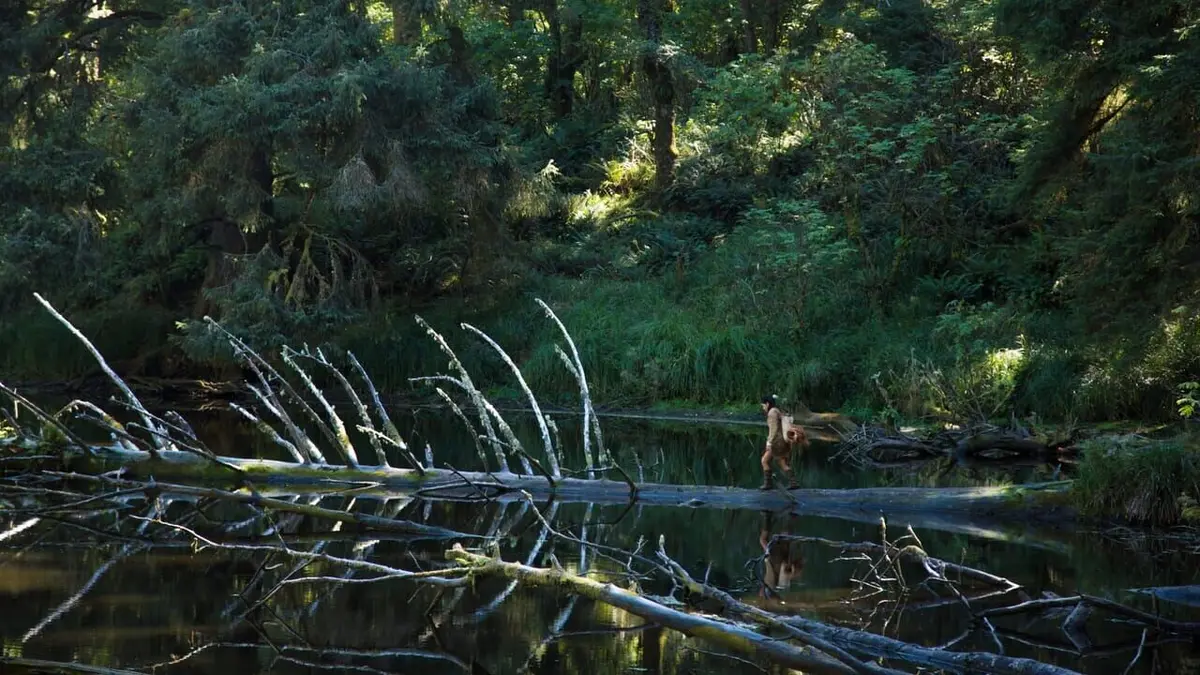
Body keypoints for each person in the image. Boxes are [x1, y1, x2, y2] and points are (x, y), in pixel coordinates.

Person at [759, 394, 806, 490]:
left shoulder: (772, 413)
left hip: (777, 442)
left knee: (765, 461)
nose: (763, 408)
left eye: (763, 406)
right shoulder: (777, 411)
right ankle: (793, 482)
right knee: (780, 462)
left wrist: (769, 442)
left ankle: (769, 484)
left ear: (767, 404)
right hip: (782, 442)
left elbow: (774, 429)